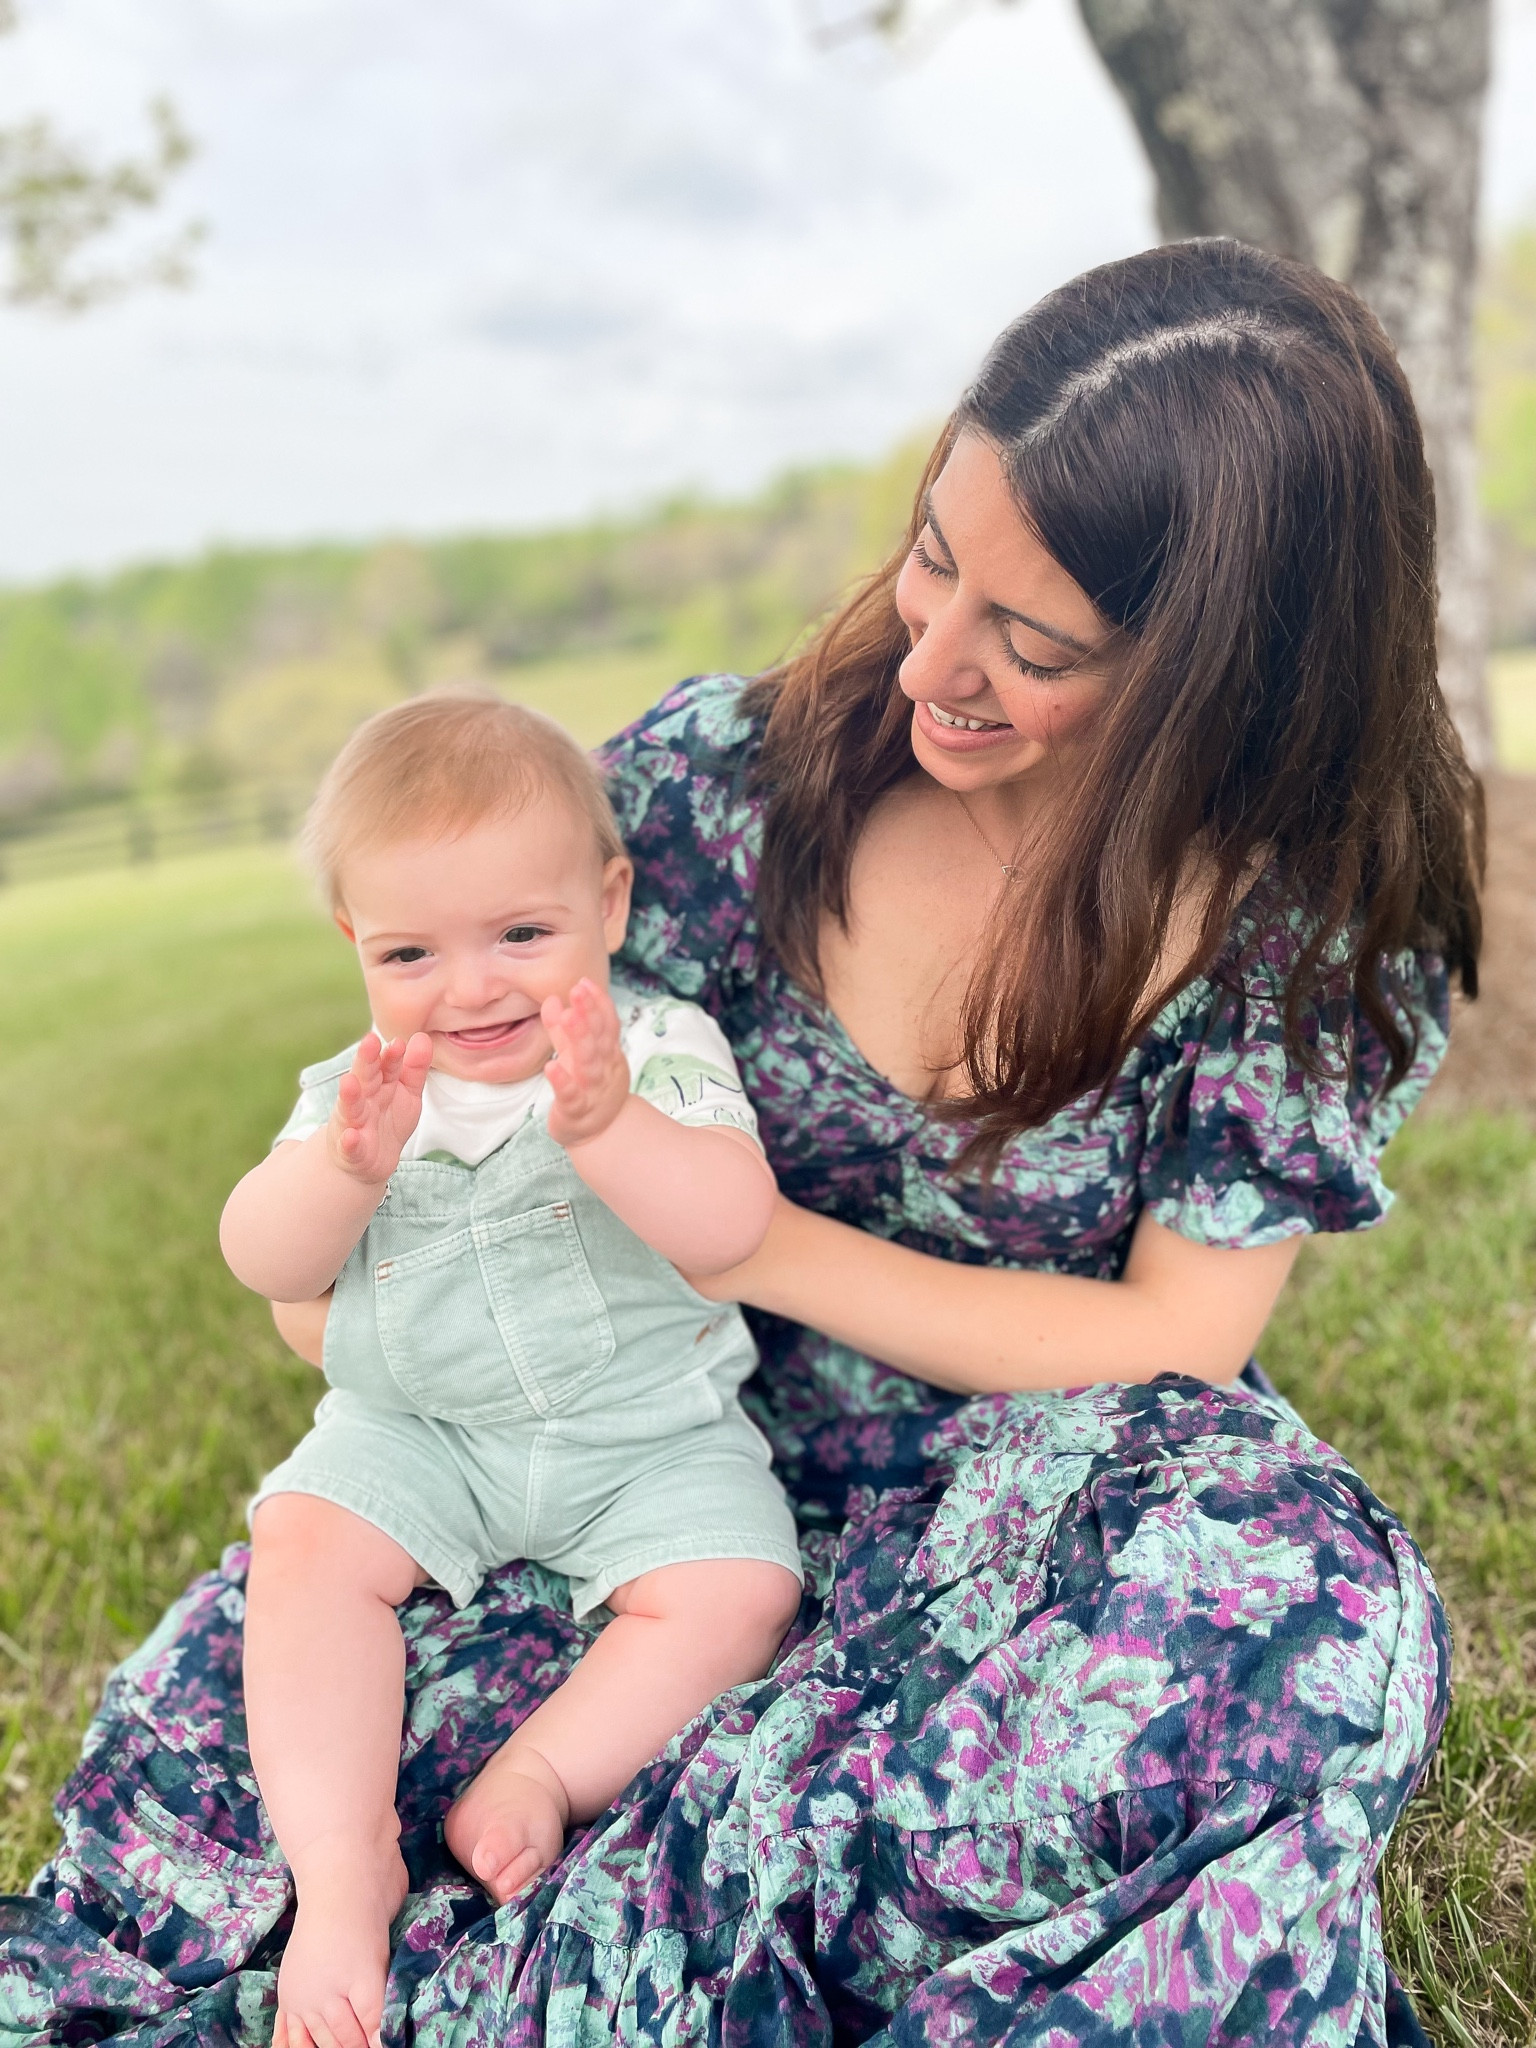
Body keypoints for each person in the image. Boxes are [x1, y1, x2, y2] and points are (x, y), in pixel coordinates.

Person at [0, 239, 1480, 2047]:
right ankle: (681, 1884)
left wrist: (757, 1244)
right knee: (306, 1742)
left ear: (1225, 671)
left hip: (1012, 1512)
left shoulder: (1304, 925)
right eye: (937, 554)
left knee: (1301, 1607)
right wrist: (393, 1281)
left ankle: (771, 1857)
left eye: (1035, 644)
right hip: (636, 1475)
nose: (933, 656)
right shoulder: (710, 794)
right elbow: (398, 1180)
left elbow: (1181, 1344)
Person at [218, 694, 803, 2048]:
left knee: (742, 1586)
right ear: (354, 946)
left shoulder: (651, 1052)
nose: (470, 989)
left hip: (643, 1438)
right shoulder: (355, 1097)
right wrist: (342, 1173)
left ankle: (537, 1772)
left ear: (608, 905)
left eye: (521, 936)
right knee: (304, 1544)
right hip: (425, 1430)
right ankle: (341, 1865)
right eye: (412, 950)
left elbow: (730, 1227)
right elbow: (261, 1254)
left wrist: (607, 1128)